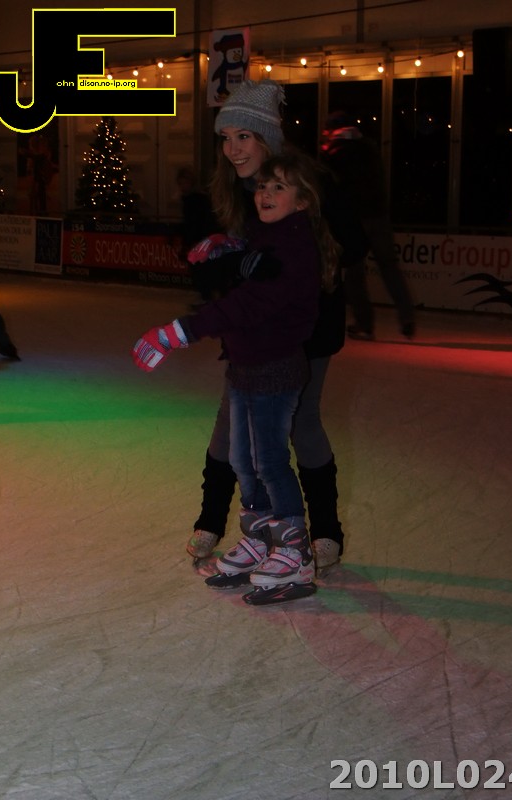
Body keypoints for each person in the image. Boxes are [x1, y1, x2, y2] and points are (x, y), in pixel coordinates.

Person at [133, 151, 340, 605]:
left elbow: (247, 305)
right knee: (242, 460)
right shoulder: (269, 235)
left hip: (275, 369)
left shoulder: (295, 247)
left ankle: (295, 551)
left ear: (303, 201)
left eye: (279, 187)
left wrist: (179, 332)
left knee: (270, 461)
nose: (265, 193)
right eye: (263, 186)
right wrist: (228, 247)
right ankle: (260, 536)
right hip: (247, 365)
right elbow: (252, 257)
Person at [184, 80, 366, 576]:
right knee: (231, 422)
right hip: (254, 330)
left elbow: (353, 244)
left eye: (244, 137)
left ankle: (325, 533)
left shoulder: (309, 183)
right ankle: (211, 520)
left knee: (302, 422)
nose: (233, 149)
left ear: (268, 138)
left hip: (309, 327)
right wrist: (230, 253)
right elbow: (228, 268)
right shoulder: (235, 191)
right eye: (226, 138)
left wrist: (294, 259)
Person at [320, 111, 416, 341]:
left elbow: (331, 187)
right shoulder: (369, 148)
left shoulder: (334, 152)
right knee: (389, 267)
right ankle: (406, 316)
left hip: (355, 218)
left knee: (354, 272)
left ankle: (364, 323)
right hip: (379, 215)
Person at [174, 166, 217, 262]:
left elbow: (198, 223)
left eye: (185, 183)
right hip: (195, 242)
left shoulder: (197, 200)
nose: (183, 187)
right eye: (180, 184)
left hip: (199, 241)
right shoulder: (188, 200)